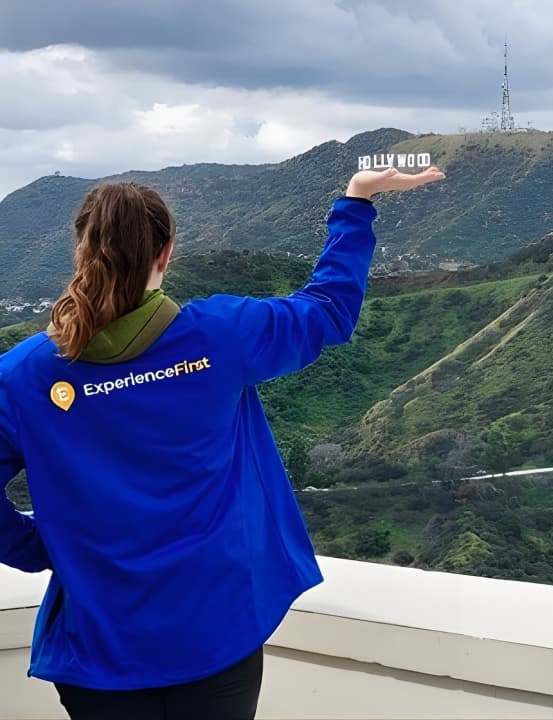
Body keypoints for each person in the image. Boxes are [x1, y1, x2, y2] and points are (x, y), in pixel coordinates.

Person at [0, 166, 445, 720]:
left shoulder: (22, 377)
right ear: (166, 253)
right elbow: (329, 309)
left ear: (81, 249)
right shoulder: (220, 336)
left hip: (98, 652)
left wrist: (39, 546)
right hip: (216, 636)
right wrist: (356, 201)